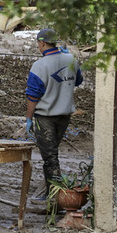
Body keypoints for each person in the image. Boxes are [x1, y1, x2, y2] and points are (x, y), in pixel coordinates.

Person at [25, 28, 83, 201]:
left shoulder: (40, 66)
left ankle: (56, 198)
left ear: (41, 43)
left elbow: (33, 96)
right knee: (53, 153)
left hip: (46, 117)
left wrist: (28, 118)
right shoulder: (71, 59)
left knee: (50, 158)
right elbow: (78, 80)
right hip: (64, 116)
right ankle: (52, 193)